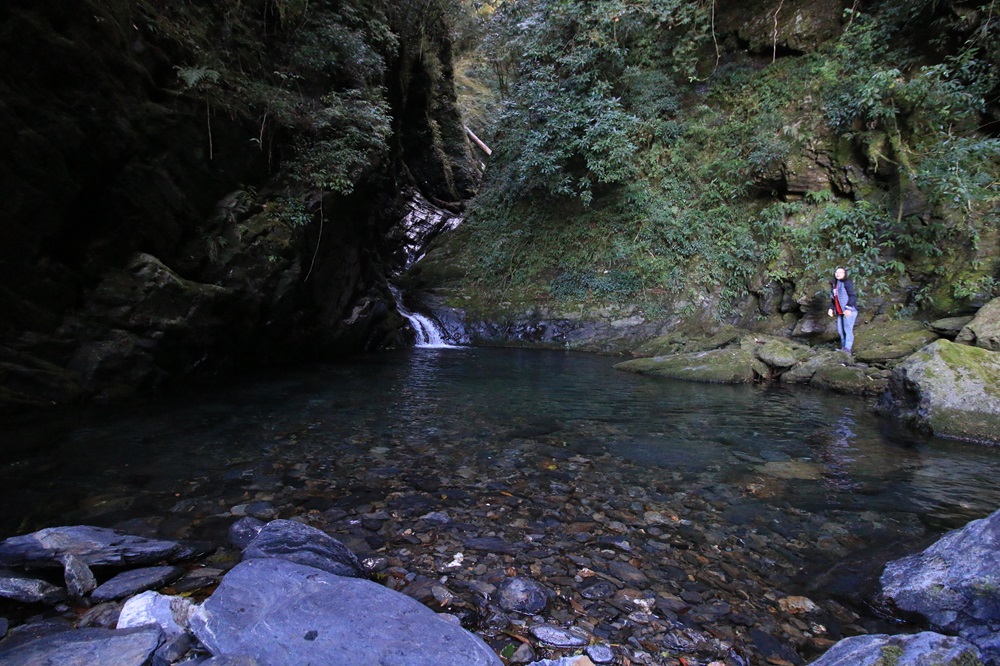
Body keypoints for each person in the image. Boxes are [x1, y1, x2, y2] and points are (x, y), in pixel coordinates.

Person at [827, 266, 857, 353]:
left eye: (841, 272)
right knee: (841, 330)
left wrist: (848, 308)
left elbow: (853, 296)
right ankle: (843, 348)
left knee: (847, 329)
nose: (838, 274)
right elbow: (833, 299)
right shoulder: (834, 284)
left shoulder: (847, 283)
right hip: (840, 311)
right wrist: (831, 308)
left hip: (849, 310)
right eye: (837, 272)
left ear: (845, 274)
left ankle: (847, 349)